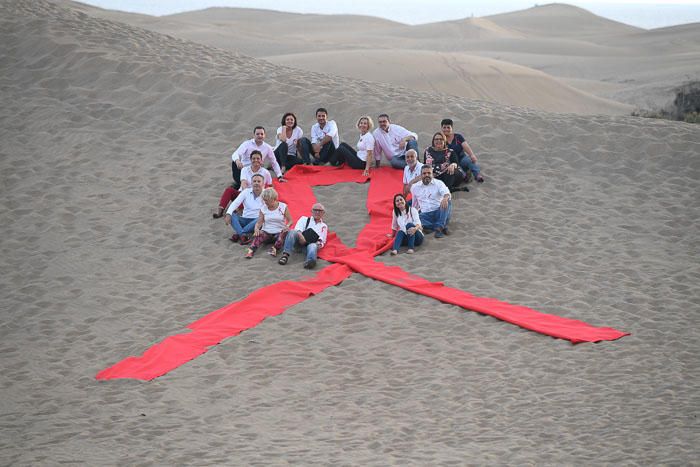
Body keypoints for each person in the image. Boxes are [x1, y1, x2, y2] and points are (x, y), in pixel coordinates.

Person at [213, 151, 272, 218]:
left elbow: (270, 186)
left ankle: (236, 210)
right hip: (243, 193)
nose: (256, 160)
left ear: (261, 160)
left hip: (257, 195)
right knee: (229, 190)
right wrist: (246, 194)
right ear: (250, 160)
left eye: (258, 158)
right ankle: (220, 212)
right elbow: (243, 183)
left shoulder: (266, 172)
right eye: (253, 158)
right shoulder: (245, 170)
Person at [245, 187, 292, 258]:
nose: (265, 202)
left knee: (284, 233)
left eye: (267, 200)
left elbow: (291, 220)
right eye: (264, 200)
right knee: (259, 235)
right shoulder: (263, 208)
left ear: (274, 199)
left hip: (279, 232)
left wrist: (287, 226)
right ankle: (251, 250)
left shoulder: (283, 207)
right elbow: (259, 222)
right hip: (267, 232)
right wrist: (256, 228)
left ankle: (274, 249)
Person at [278, 202, 328, 269]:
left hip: (308, 247)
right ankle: (285, 255)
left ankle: (310, 262)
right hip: (297, 243)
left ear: (323, 213)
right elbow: (297, 229)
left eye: (320, 211)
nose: (317, 212)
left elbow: (322, 241)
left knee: (313, 245)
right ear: (311, 211)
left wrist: (316, 244)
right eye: (315, 210)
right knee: (292, 231)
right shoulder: (304, 219)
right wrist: (301, 237)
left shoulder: (323, 226)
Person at [410, 165, 452, 238]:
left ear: (432, 174)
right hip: (425, 215)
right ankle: (440, 226)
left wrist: (445, 198)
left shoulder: (439, 183)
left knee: (447, 202)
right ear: (421, 175)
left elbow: (446, 193)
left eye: (429, 173)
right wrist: (414, 215)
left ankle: (438, 227)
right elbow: (415, 204)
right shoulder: (414, 187)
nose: (427, 175)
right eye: (424, 173)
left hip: (440, 212)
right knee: (415, 218)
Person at [224, 174, 265, 244]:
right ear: (251, 183)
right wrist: (228, 213)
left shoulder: (266, 193)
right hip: (244, 219)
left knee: (262, 218)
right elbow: (235, 203)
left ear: (263, 183)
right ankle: (242, 235)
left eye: (259, 181)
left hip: (257, 222)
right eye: (254, 181)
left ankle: (239, 234)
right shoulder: (246, 192)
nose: (256, 183)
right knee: (232, 214)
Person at [441, 118, 484, 183]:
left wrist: (472, 155)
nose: (446, 129)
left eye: (448, 127)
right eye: (444, 127)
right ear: (441, 128)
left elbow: (465, 146)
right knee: (460, 173)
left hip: (462, 158)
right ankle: (465, 176)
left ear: (452, 128)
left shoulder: (458, 137)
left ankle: (477, 175)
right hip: (451, 162)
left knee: (469, 161)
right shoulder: (440, 139)